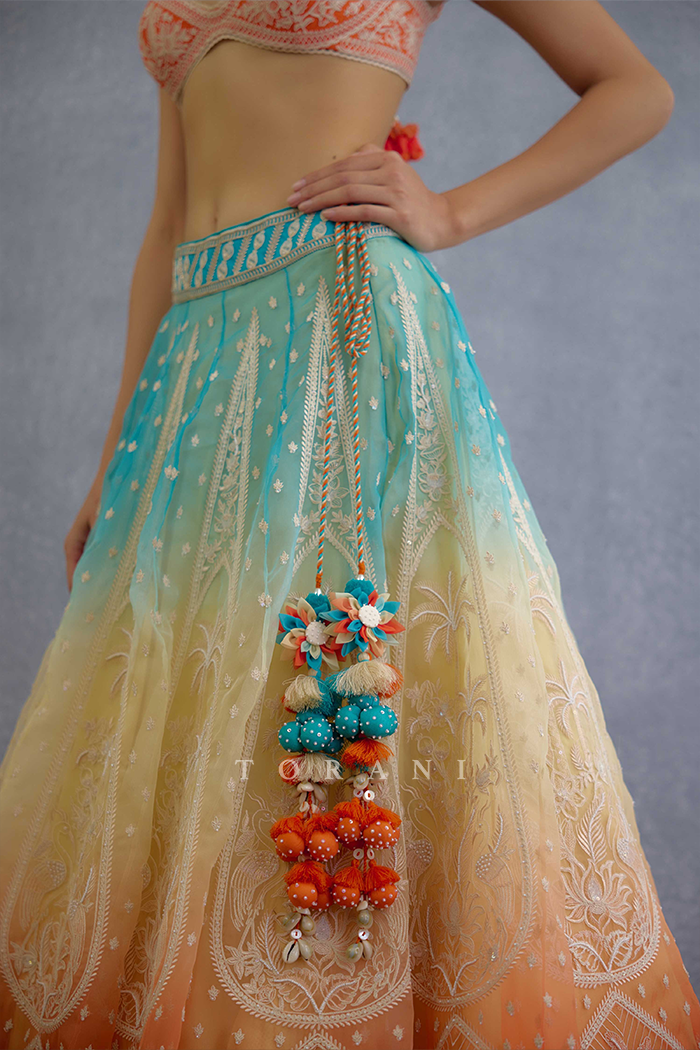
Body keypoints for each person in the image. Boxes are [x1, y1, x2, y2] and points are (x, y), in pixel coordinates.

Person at [0, 2, 697, 1048]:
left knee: (334, 682)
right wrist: (115, 456)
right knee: (190, 693)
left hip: (337, 324)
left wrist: (449, 211)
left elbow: (636, 90)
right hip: (194, 372)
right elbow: (167, 227)